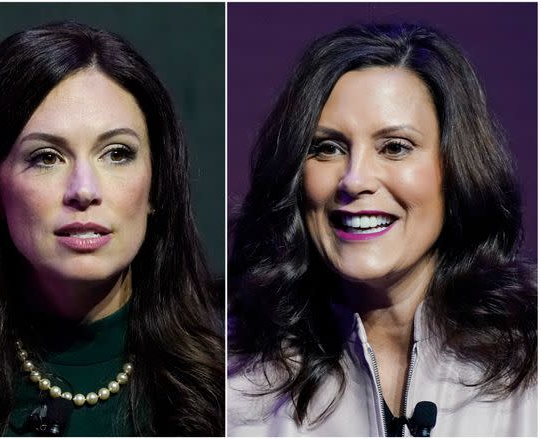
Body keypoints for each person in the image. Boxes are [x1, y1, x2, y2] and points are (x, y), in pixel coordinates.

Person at [0, 21, 224, 436]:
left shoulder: (233, 389)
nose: (84, 190)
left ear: (156, 186)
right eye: (46, 157)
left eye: (117, 153)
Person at [228, 23, 536, 436]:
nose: (354, 180)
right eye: (328, 148)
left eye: (395, 147)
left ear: (456, 169)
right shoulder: (228, 368)